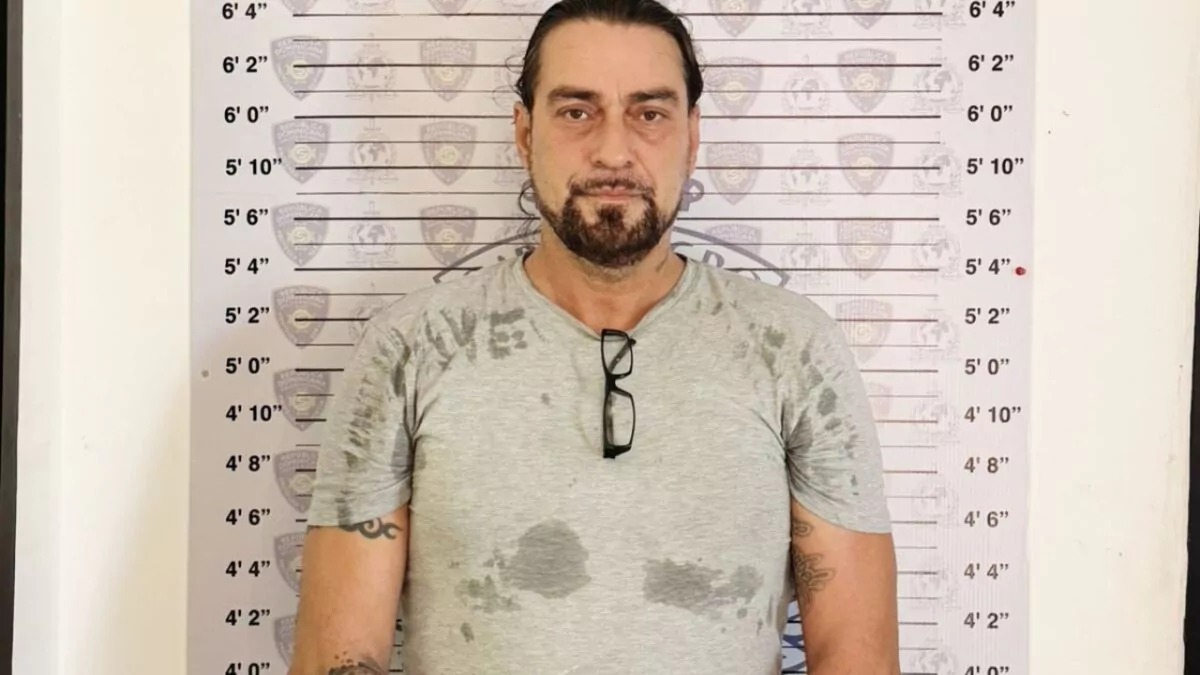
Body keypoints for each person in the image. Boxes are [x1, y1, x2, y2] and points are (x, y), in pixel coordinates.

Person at [289, 1, 899, 673]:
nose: (613, 152)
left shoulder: (795, 350)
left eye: (649, 114)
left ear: (692, 135)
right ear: (525, 133)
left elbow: (857, 657)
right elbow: (338, 656)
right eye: (577, 112)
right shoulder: (410, 348)